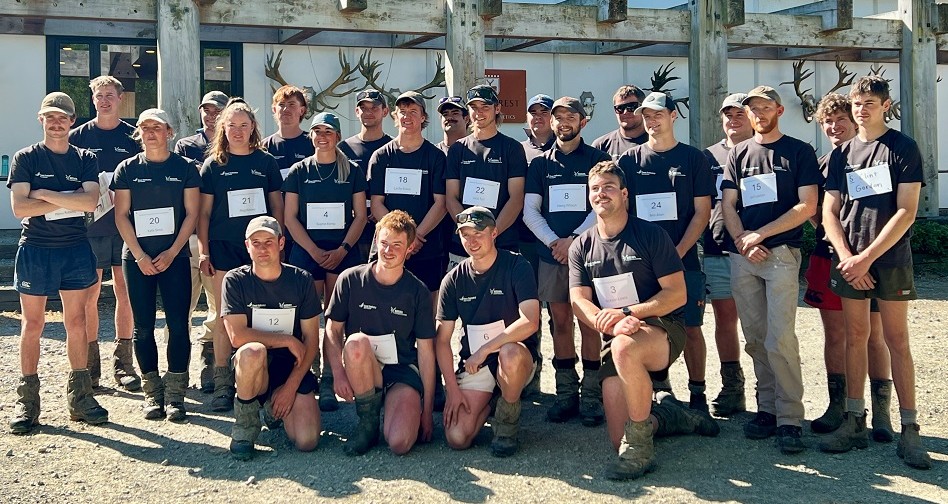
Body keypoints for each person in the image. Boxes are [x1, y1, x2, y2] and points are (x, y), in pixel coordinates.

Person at [569, 161, 718, 480]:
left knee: (624, 348)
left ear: (624, 194)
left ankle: (641, 452)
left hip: (662, 329)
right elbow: (579, 300)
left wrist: (627, 314)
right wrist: (604, 322)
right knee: (616, 438)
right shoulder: (581, 246)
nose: (601, 193)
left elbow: (677, 295)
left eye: (608, 187)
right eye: (594, 188)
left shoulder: (652, 235)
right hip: (616, 332)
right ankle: (671, 417)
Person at [818, 76, 931, 469]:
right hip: (850, 262)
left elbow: (907, 211)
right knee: (855, 337)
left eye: (869, 102)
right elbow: (828, 211)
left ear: (885, 105)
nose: (861, 108)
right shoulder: (841, 153)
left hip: (889, 261)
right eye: (856, 102)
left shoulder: (902, 147)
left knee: (896, 341)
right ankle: (854, 420)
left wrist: (866, 258)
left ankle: (910, 430)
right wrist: (849, 257)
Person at [721, 86, 821, 454]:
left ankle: (790, 417)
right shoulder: (738, 154)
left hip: (780, 254)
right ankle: (766, 409)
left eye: (765, 107)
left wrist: (760, 235)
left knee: (781, 338)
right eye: (752, 109)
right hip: (743, 256)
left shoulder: (799, 151)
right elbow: (728, 203)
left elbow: (807, 205)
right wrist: (742, 239)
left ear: (779, 110)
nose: (758, 114)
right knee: (755, 337)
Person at [8, 92, 108, 433]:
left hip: (74, 248)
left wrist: (44, 195)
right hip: (36, 248)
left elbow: (91, 200)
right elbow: (20, 208)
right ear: (41, 120)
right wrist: (69, 198)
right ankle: (28, 401)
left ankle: (80, 398)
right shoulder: (26, 158)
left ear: (72, 121)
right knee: (32, 324)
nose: (56, 123)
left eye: (62, 117)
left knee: (77, 321)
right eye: (50, 117)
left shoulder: (84, 158)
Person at [617, 92, 715, 411]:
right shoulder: (629, 162)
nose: (651, 119)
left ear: (673, 116)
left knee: (690, 327)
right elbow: (624, 212)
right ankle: (660, 390)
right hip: (642, 264)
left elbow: (702, 212)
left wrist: (676, 252)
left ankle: (698, 394)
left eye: (658, 113)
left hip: (684, 258)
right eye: (646, 114)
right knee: (648, 326)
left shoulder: (693, 158)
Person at [805, 93, 894, 441]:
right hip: (829, 258)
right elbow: (815, 210)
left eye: (840, 119)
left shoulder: (878, 154)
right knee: (837, 334)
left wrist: (864, 252)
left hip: (874, 259)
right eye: (827, 121)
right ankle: (839, 406)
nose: (833, 126)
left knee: (874, 335)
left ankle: (882, 413)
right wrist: (836, 242)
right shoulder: (825, 162)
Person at [523, 97, 610, 425]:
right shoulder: (540, 164)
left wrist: (574, 240)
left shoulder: (599, 160)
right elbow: (531, 210)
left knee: (589, 323)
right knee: (560, 321)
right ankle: (565, 394)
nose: (562, 122)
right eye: (557, 117)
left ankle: (591, 395)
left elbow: (601, 205)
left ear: (583, 122)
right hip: (551, 256)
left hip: (589, 256)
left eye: (570, 116)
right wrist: (553, 242)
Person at [112, 109, 201, 421]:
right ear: (139, 133)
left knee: (178, 325)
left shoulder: (186, 168)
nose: (150, 132)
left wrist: (174, 251)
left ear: (170, 132)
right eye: (144, 127)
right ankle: (153, 392)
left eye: (157, 127)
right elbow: (121, 214)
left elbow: (192, 213)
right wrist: (139, 255)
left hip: (175, 258)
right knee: (143, 326)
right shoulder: (126, 169)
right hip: (138, 258)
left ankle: (176, 393)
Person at [324, 211, 436, 455]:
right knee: (355, 343)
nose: (388, 251)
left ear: (409, 248)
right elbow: (332, 331)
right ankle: (367, 425)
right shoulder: (350, 279)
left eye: (397, 245)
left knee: (399, 443)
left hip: (401, 369)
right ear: (376, 240)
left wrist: (427, 411)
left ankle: (397, 408)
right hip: (361, 365)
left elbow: (426, 352)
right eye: (384, 243)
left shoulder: (418, 291)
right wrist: (337, 373)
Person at [198, 98, 285, 412]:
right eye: (231, 125)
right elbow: (203, 214)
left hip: (261, 250)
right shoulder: (213, 166)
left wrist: (279, 241)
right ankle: (224, 383)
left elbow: (277, 207)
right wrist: (204, 251)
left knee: (260, 314)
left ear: (253, 129)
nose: (237, 131)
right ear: (223, 128)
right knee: (225, 317)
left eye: (243, 125)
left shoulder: (266, 163)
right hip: (223, 248)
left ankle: (264, 376)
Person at [436, 206, 540, 457]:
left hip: (514, 357)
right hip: (475, 365)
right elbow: (442, 340)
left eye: (478, 233)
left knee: (509, 354)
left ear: (494, 233)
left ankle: (507, 420)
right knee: (457, 437)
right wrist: (452, 389)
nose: (471, 241)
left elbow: (531, 321)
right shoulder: (453, 279)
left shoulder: (517, 265)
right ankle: (492, 400)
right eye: (465, 235)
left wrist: (484, 349)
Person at [283, 111, 368, 413]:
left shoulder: (352, 171)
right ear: (311, 136)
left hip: (342, 252)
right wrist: (313, 250)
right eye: (317, 131)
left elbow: (360, 216)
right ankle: (309, 371)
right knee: (307, 317)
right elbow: (289, 217)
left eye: (328, 132)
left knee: (335, 318)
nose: (322, 137)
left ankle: (332, 376)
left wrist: (344, 248)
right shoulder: (298, 171)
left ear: (337, 136)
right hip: (307, 252)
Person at [221, 216, 321, 460]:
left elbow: (311, 340)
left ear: (281, 243)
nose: (263, 248)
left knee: (307, 441)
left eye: (269, 241)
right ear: (247, 246)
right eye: (256, 242)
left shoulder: (302, 280)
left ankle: (272, 409)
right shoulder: (235, 281)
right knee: (252, 350)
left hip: (291, 368)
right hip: (254, 367)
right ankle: (245, 425)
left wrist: (291, 386)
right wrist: (287, 340)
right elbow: (237, 336)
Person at [318, 89, 392, 412]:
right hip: (351, 237)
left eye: (374, 107)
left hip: (380, 240)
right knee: (340, 310)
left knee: (377, 307)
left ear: (384, 112)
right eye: (363, 107)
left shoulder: (391, 147)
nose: (368, 112)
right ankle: (337, 372)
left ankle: (380, 370)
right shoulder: (344, 147)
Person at [68, 75, 142, 392]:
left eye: (109, 95)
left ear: (121, 98)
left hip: (128, 228)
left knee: (125, 294)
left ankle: (123, 365)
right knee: (90, 295)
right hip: (90, 229)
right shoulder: (77, 136)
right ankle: (91, 366)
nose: (104, 101)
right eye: (99, 96)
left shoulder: (134, 136)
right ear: (93, 100)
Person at [701, 93, 753, 416]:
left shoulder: (765, 151)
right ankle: (733, 385)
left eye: (739, 115)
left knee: (760, 326)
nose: (733, 121)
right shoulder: (708, 157)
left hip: (758, 250)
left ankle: (770, 391)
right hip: (718, 248)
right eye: (728, 116)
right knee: (725, 319)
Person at [174, 90, 228, 393]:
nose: (211, 115)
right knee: (182, 302)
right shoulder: (186, 145)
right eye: (206, 110)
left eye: (217, 110)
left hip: (215, 233)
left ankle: (210, 360)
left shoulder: (232, 147)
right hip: (186, 235)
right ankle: (177, 368)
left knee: (216, 304)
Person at [368, 91, 447, 299]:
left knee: (426, 310)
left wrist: (414, 238)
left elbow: (441, 203)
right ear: (394, 117)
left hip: (426, 247)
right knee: (383, 305)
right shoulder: (381, 156)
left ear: (423, 117)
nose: (407, 116)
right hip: (388, 247)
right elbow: (376, 203)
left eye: (413, 111)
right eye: (402, 111)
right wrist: (397, 240)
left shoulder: (436, 157)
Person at [445, 85, 527, 268]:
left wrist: (491, 233)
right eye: (474, 107)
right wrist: (470, 233)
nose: (479, 113)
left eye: (485, 107)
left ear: (497, 109)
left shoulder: (512, 148)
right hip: (464, 245)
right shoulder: (458, 149)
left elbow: (516, 198)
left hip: (503, 241)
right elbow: (451, 197)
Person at [262, 85, 314, 179]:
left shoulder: (313, 142)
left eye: (291, 104)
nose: (286, 109)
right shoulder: (264, 146)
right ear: (274, 109)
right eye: (281, 104)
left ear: (302, 110)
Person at [591, 85, 648, 159]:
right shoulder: (601, 146)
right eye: (620, 108)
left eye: (631, 107)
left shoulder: (656, 142)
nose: (625, 112)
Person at [521, 94, 555, 160]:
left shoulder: (564, 149)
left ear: (554, 117)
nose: (538, 117)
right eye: (533, 113)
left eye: (544, 112)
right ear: (527, 117)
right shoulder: (518, 150)